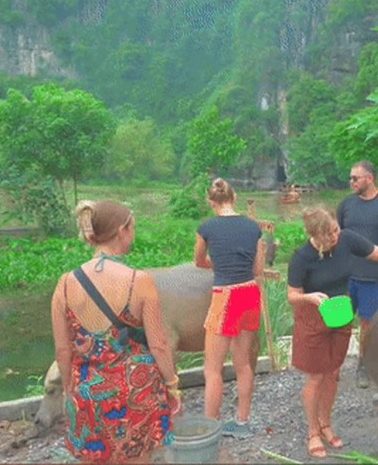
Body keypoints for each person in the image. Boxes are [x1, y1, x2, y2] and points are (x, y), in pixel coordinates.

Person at [51, 200, 180, 463]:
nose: (133, 235)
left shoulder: (65, 284)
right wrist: (172, 384)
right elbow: (159, 345)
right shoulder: (140, 281)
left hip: (87, 393)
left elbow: (63, 350)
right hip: (136, 392)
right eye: (132, 228)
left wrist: (69, 388)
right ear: (122, 230)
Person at [287, 207, 378, 458]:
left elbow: (376, 253)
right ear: (317, 235)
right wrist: (310, 297)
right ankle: (312, 432)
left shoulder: (347, 239)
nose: (336, 234)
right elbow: (292, 296)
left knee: (332, 373)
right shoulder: (301, 258)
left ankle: (326, 424)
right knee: (316, 377)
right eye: (330, 233)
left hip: (340, 313)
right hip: (312, 316)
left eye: (336, 228)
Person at [193, 178, 264, 439]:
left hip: (225, 296)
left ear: (212, 203)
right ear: (234, 198)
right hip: (249, 293)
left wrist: (218, 264)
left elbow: (199, 261)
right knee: (243, 364)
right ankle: (242, 423)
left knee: (212, 369)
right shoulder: (253, 227)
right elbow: (257, 270)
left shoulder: (207, 227)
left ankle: (210, 429)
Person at [336, 161, 378, 389]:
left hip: (375, 278)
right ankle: (334, 365)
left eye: (355, 178)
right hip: (347, 276)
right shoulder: (346, 205)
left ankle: (364, 365)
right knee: (339, 322)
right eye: (350, 178)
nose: (351, 182)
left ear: (370, 178)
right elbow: (335, 238)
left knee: (369, 325)